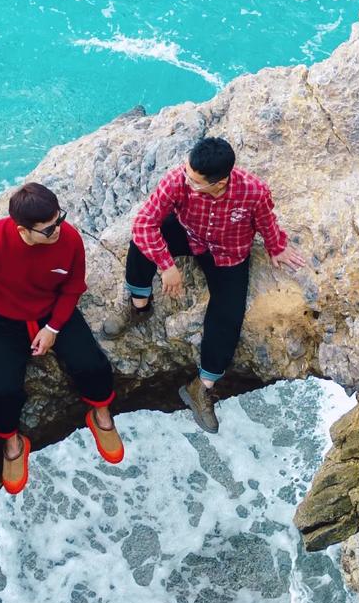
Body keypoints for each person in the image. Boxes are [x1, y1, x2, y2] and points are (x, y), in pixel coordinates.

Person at [105, 136, 308, 433]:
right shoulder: (179, 180)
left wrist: (277, 247)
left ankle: (201, 386)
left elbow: (266, 220)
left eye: (195, 180)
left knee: (228, 315)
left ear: (220, 181)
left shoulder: (253, 191)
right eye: (187, 172)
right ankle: (139, 306)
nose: (186, 180)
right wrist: (167, 266)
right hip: (189, 235)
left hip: (228, 252)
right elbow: (144, 223)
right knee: (141, 242)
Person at [0, 182, 123, 494]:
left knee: (91, 364)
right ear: (21, 229)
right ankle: (13, 443)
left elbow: (72, 288)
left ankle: (100, 412)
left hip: (52, 310)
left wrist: (53, 328)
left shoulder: (68, 239)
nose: (56, 230)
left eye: (59, 220)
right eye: (47, 229)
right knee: (0, 389)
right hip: (2, 319)